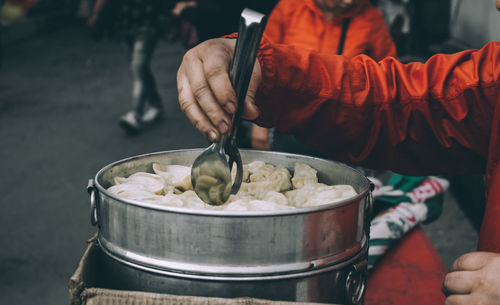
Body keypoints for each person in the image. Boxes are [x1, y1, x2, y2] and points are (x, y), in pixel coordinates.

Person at [175, 1, 500, 304]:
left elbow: (386, 62)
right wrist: (267, 71)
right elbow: (396, 103)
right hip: (300, 121)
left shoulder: (370, 20)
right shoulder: (291, 8)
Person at [249, 0, 396, 152]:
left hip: (341, 129)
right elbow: (261, 63)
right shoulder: (289, 8)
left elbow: (386, 79)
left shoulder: (371, 18)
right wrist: (259, 124)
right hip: (286, 122)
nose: (350, 1)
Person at [89, 0, 174, 135]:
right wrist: (96, 14)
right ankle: (156, 104)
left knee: (138, 68)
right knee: (141, 68)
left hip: (147, 23)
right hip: (126, 23)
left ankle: (135, 114)